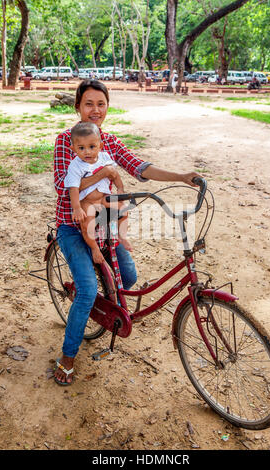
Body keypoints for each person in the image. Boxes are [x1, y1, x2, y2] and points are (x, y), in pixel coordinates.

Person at [53, 79, 200, 385]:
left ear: (107, 107)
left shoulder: (109, 142)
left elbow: (139, 166)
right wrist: (104, 175)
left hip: (106, 223)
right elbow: (61, 187)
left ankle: (100, 306)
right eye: (89, 103)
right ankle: (67, 358)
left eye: (101, 104)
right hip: (73, 225)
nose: (95, 110)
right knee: (87, 291)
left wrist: (181, 177)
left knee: (129, 278)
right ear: (78, 105)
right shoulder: (65, 141)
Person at [64, 121, 132, 265]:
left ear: (100, 146)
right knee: (86, 223)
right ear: (73, 149)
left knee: (122, 208)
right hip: (88, 201)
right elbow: (73, 188)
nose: (87, 152)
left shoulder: (104, 157)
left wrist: (120, 188)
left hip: (103, 198)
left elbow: (114, 175)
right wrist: (76, 208)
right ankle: (94, 248)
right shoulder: (75, 166)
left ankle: (121, 235)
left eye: (92, 147)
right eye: (81, 148)